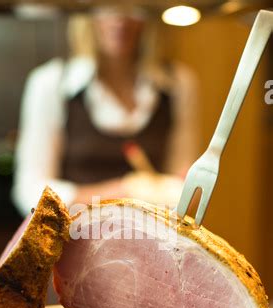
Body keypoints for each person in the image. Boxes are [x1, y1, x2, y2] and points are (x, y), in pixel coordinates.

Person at [12, 5, 200, 216]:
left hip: (150, 239)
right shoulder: (52, 83)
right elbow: (29, 191)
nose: (120, 20)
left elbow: (182, 178)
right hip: (76, 238)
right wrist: (123, 193)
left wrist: (185, 188)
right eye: (107, 6)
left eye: (132, 6)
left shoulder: (177, 84)